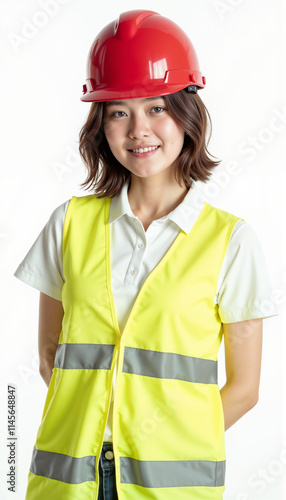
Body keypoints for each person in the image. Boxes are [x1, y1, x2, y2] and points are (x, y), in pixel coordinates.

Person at [14, 9, 278, 500]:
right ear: (101, 124)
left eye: (157, 107)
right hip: (69, 481)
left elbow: (245, 389)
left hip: (169, 487)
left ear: (187, 113)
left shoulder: (231, 241)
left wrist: (165, 442)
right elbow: (52, 354)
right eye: (119, 111)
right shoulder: (69, 224)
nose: (139, 129)